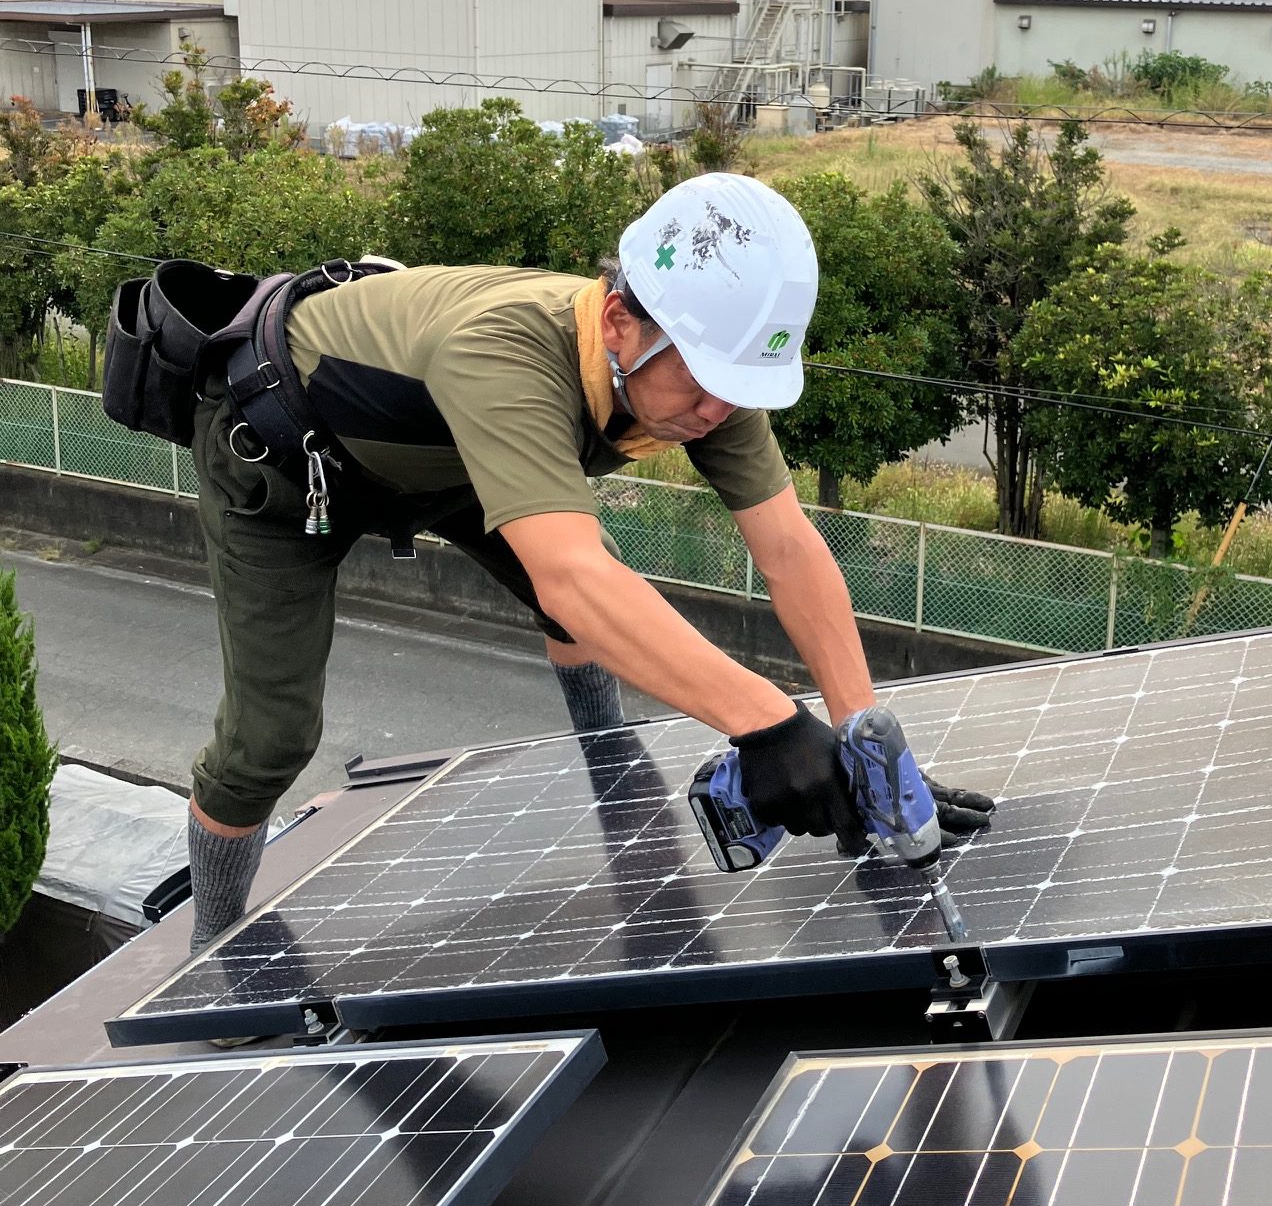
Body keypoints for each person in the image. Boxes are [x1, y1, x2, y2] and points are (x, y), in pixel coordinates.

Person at [185, 171, 992, 953]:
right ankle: (212, 946)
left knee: (581, 580)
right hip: (286, 466)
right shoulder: (503, 354)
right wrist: (770, 725)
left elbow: (789, 550)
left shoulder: (711, 388)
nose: (717, 412)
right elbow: (572, 577)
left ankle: (607, 762)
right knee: (271, 739)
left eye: (739, 389)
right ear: (618, 322)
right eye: (705, 383)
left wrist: (867, 747)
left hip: (449, 463)